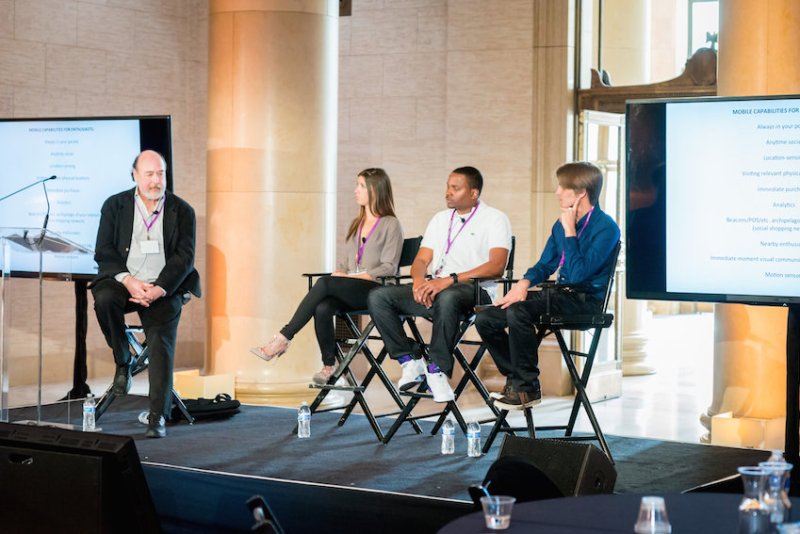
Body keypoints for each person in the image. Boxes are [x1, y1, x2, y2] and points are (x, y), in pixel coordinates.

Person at [475, 161, 620, 410]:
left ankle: (525, 387)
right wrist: (523, 284)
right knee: (487, 318)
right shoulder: (560, 225)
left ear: (581, 192)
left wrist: (570, 231)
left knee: (518, 312)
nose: (556, 192)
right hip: (559, 297)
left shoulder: (607, 228)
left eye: (562, 187)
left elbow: (577, 275)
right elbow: (544, 265)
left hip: (586, 303)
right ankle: (521, 380)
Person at [367, 166, 512, 402]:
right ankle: (409, 359)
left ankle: (436, 369)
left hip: (474, 292)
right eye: (447, 187)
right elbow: (422, 260)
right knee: (379, 296)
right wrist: (418, 282)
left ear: (473, 193)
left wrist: (449, 281)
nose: (448, 192)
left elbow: (496, 266)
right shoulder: (440, 219)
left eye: (455, 188)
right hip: (436, 288)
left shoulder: (495, 219)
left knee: (449, 295)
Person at [251, 168, 403, 384]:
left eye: (361, 186)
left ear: (375, 190)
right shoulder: (356, 225)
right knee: (322, 307)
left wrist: (353, 278)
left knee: (324, 283)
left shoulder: (390, 224)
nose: (355, 190)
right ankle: (329, 365)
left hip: (377, 290)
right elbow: (347, 263)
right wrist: (341, 272)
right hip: (353, 288)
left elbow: (389, 268)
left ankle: (283, 338)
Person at [92, 150, 200, 438]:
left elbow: (184, 258)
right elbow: (103, 251)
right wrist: (128, 282)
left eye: (160, 174)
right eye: (149, 174)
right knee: (103, 299)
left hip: (164, 287)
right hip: (125, 283)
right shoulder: (115, 206)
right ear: (135, 176)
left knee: (160, 342)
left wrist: (158, 289)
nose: (155, 181)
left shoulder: (182, 211)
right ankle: (122, 360)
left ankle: (157, 417)